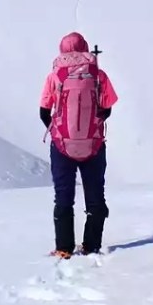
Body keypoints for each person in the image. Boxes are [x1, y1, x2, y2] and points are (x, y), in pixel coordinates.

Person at [40, 32, 118, 257]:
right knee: (95, 197)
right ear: (85, 47)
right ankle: (91, 246)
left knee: (63, 197)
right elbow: (107, 108)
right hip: (93, 144)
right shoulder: (98, 74)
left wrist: (57, 130)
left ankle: (64, 248)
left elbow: (44, 111)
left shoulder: (54, 76)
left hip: (62, 145)